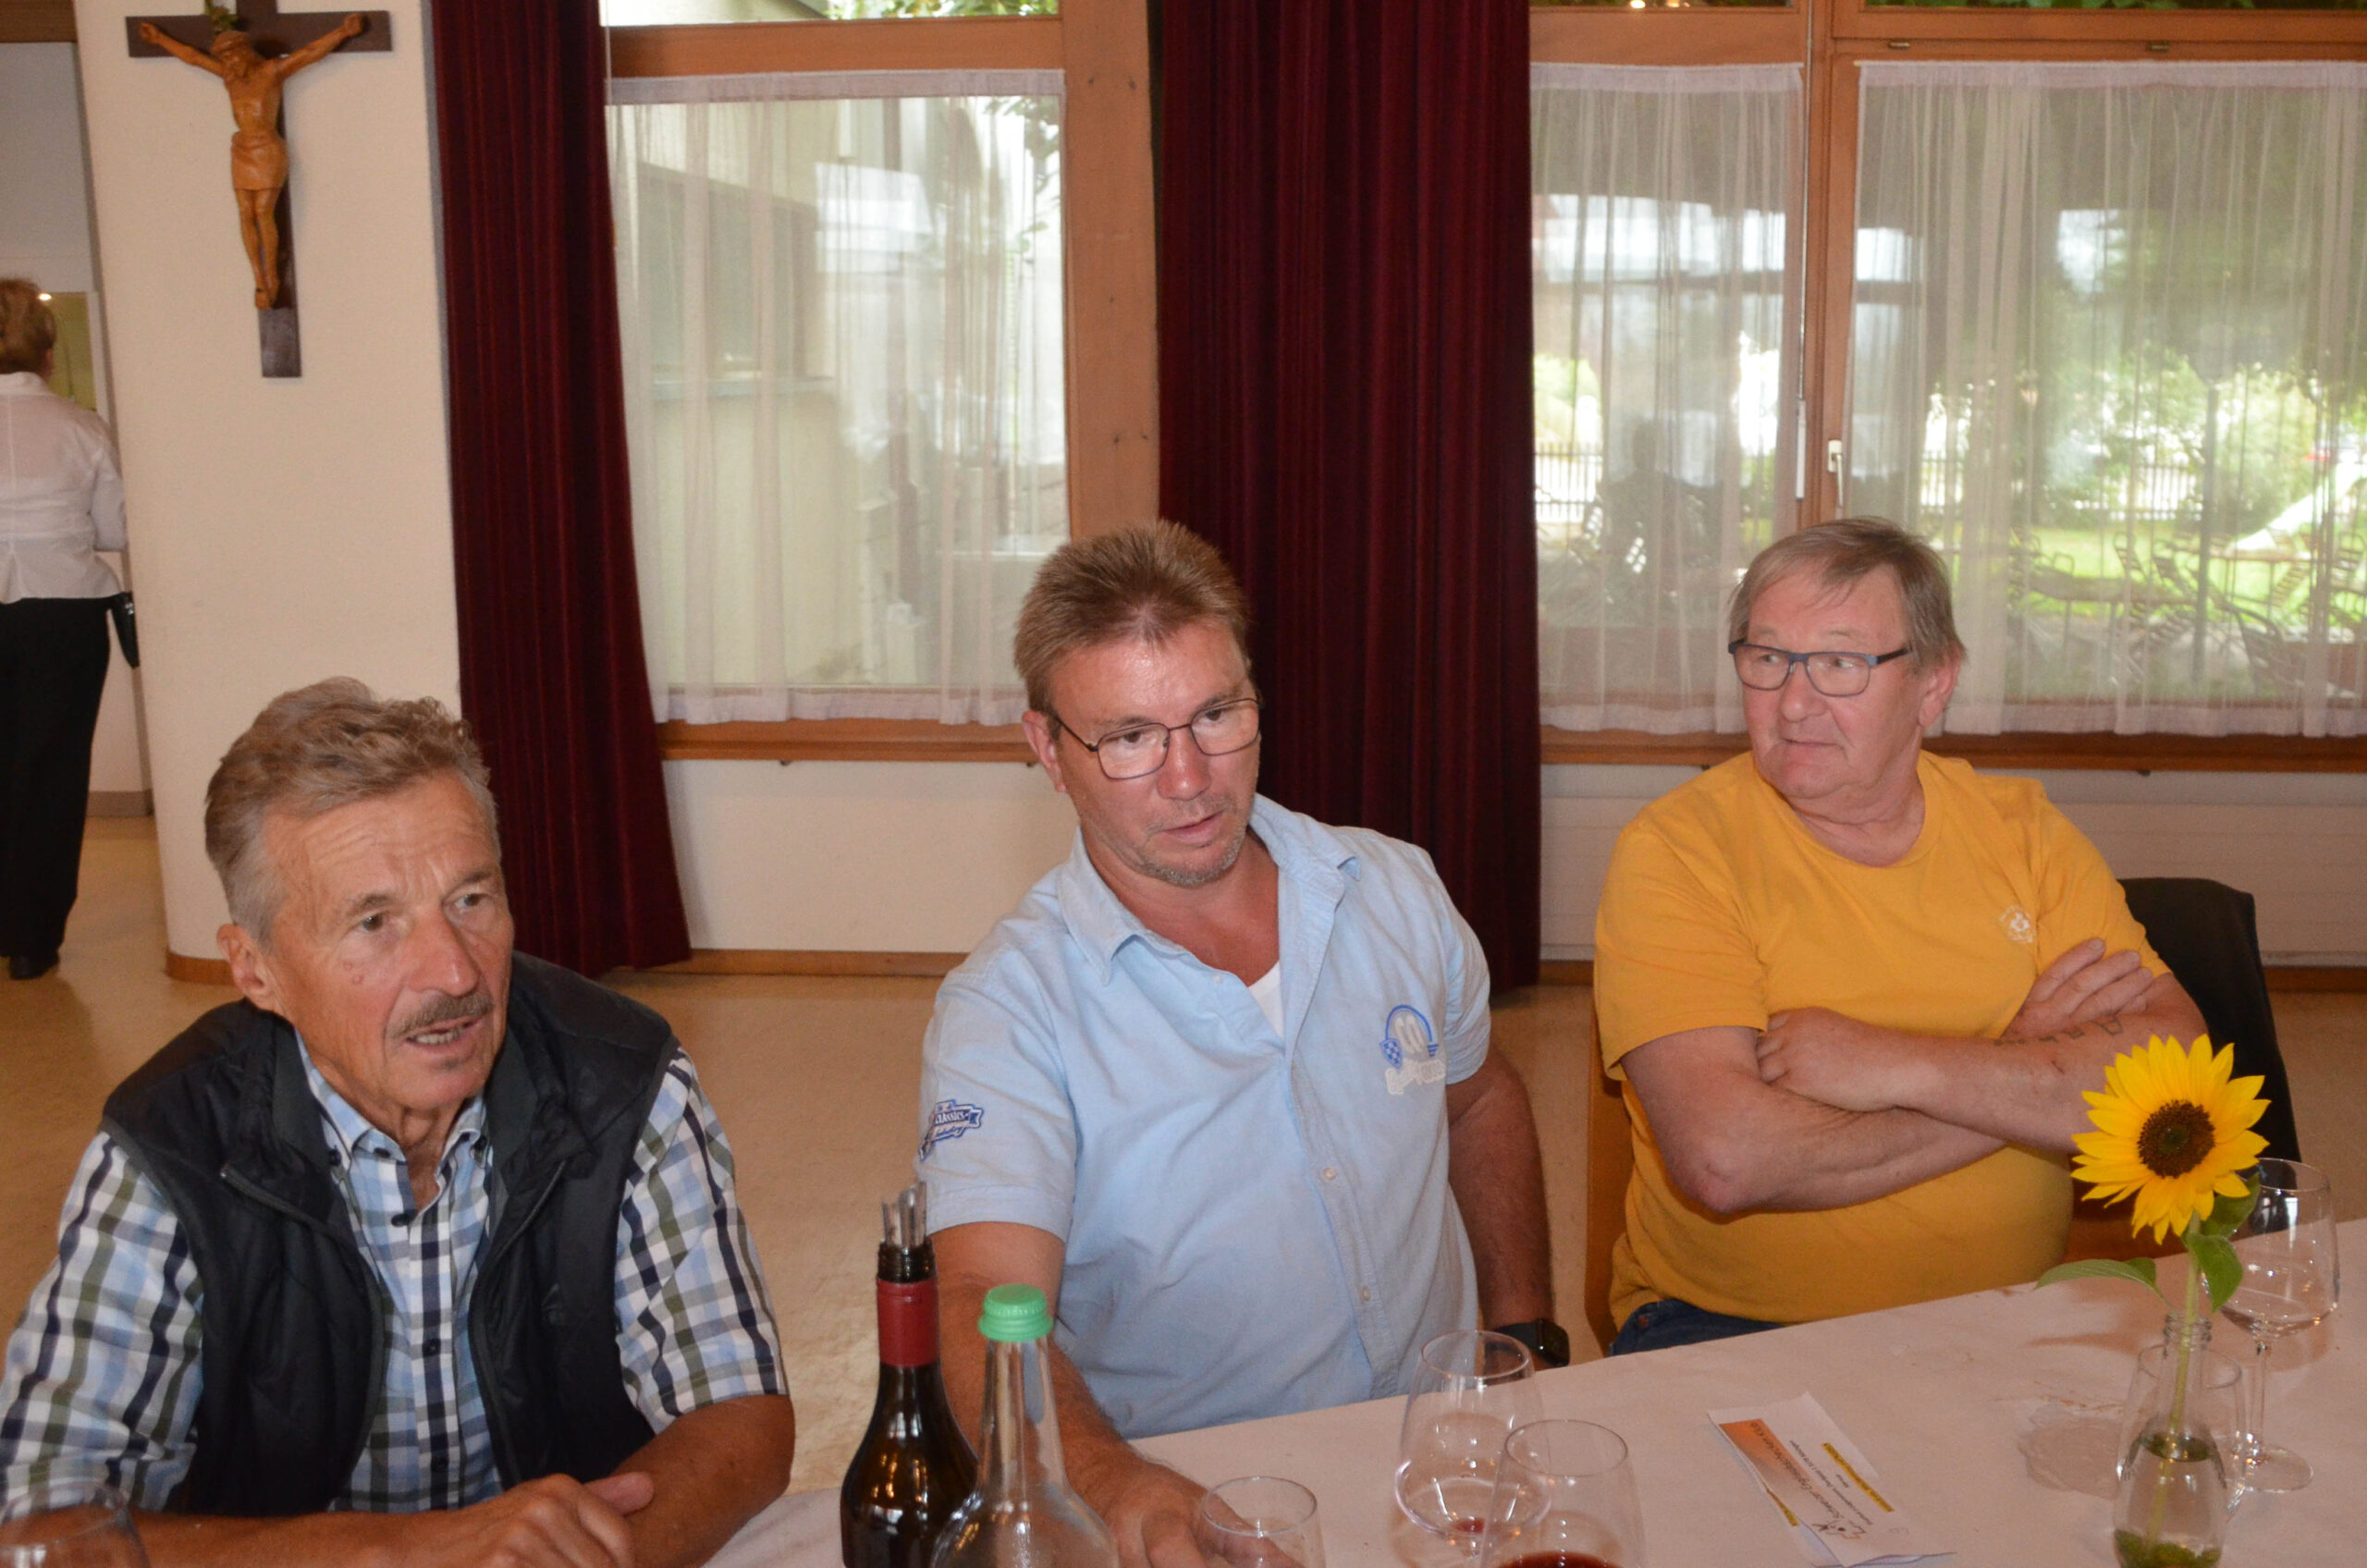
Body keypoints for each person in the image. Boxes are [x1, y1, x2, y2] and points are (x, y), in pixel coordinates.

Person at [0, 680, 795, 1567]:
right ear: (256, 970)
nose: (454, 972)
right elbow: (42, 1524)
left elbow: (738, 1412)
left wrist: (582, 1561)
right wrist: (407, 1555)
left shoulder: (624, 1079)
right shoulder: (172, 1146)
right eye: (374, 922)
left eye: (471, 899)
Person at [915, 522, 1561, 1568]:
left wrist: (1523, 1332)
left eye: (1216, 715)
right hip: (1194, 1494)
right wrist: (1112, 1480)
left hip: (1441, 1467)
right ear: (1046, 748)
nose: (1189, 778)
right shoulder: (1007, 1009)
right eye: (1130, 737)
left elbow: (1479, 1097)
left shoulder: (1393, 887)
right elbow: (977, 1298)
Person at [1593, 518, 2209, 1354]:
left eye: (1841, 664)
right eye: (1768, 658)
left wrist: (1892, 1064)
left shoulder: (2024, 832)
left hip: (2009, 1315)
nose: (1794, 702)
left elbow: (2173, 1069)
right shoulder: (1677, 851)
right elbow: (1726, 1160)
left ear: (1933, 684)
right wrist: (2021, 1064)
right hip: (1734, 1326)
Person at [0, 279, 126, 981]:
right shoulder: (83, 428)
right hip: (64, 614)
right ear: (47, 351)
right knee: (53, 771)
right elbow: (114, 529)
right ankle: (32, 938)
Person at [133, 13, 367, 309]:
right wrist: (159, 39)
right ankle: (258, 279)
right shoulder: (230, 78)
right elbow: (193, 57)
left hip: (267, 148)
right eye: (225, 59)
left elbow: (308, 53)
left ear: (245, 52)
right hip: (242, 149)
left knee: (262, 212)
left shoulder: (271, 72)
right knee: (245, 213)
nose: (230, 64)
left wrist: (342, 32)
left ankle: (272, 275)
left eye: (233, 57)